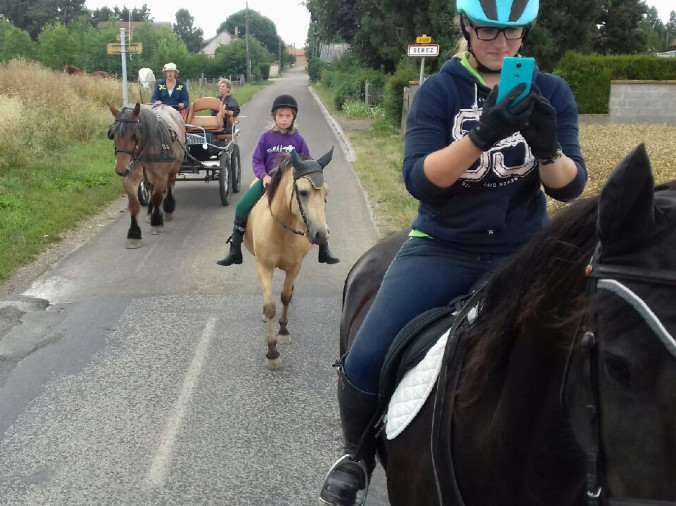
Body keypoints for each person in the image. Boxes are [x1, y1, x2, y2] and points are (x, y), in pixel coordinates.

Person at [318, 0, 587, 503]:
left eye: (513, 35)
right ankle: (356, 455)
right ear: (466, 27)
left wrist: (548, 150)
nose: (501, 45)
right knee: (367, 353)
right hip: (444, 247)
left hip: (526, 251)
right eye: (488, 33)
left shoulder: (551, 92)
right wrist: (483, 134)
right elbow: (422, 181)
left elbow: (569, 189)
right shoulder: (438, 92)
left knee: (595, 344)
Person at [216, 94, 340, 266]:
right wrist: (264, 176)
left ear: (293, 118)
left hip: (291, 185)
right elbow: (257, 160)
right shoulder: (266, 138)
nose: (284, 119)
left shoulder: (298, 139)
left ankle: (324, 248)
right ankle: (235, 249)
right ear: (274, 116)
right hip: (269, 181)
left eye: (288, 116)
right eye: (281, 116)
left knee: (315, 207)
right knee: (242, 206)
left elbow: (307, 163)